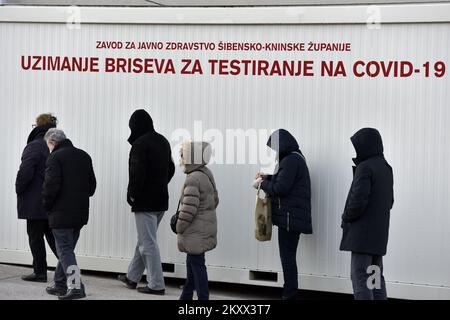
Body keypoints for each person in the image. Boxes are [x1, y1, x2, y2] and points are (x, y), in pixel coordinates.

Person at [118, 109, 175, 295]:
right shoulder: (163, 141)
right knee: (144, 239)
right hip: (160, 201)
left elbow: (137, 173)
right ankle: (132, 277)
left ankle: (156, 284)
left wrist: (133, 195)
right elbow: (171, 168)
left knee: (147, 243)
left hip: (145, 202)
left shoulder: (139, 144)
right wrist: (160, 184)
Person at [253, 129, 312, 300]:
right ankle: (289, 291)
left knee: (287, 257)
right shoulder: (296, 158)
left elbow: (280, 188)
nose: (275, 152)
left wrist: (262, 183)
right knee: (288, 256)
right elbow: (283, 179)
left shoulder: (291, 161)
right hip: (292, 217)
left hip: (289, 218)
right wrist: (268, 177)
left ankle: (289, 293)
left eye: (275, 148)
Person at [339, 128, 394, 300]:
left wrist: (346, 217)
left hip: (362, 237)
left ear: (366, 146)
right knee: (375, 279)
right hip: (379, 236)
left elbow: (357, 202)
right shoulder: (386, 168)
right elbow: (390, 201)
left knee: (361, 278)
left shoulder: (365, 167)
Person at [42, 129, 97, 300]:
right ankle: (59, 284)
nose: (48, 148)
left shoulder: (55, 158)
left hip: (60, 213)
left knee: (65, 250)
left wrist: (46, 205)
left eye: (48, 145)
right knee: (67, 249)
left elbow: (50, 186)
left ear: (52, 142)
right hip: (80, 214)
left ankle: (75, 287)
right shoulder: (84, 156)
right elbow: (91, 187)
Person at [15, 113, 59, 282]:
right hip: (52, 201)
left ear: (37, 127)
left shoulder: (34, 146)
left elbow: (26, 172)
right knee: (56, 239)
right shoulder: (56, 145)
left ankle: (40, 272)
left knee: (35, 237)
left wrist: (19, 189)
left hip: (35, 201)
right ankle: (71, 271)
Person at [177, 141, 219, 300]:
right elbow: (215, 200)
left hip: (195, 231)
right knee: (192, 263)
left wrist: (180, 226)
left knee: (197, 265)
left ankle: (203, 299)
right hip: (203, 228)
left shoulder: (193, 178)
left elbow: (188, 209)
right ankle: (186, 297)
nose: (181, 158)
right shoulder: (206, 173)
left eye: (183, 155)